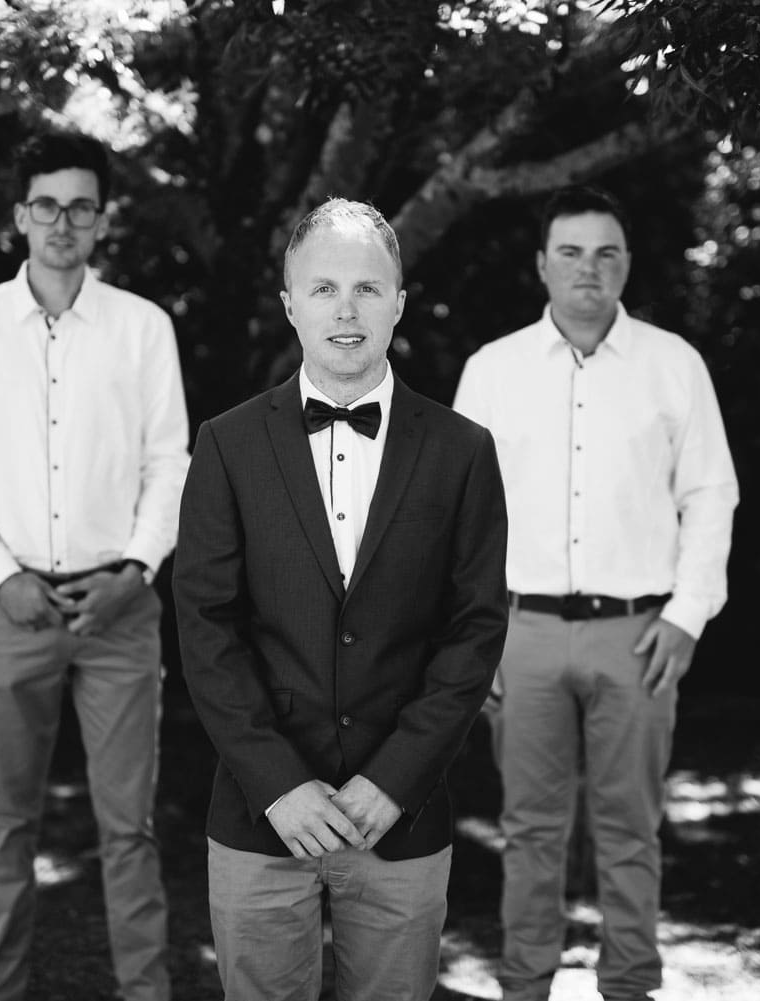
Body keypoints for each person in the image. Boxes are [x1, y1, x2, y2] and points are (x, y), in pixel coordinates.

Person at [173, 197, 509, 1001]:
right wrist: (278, 784)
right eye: (323, 289)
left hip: (404, 817)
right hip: (261, 815)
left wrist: (394, 779)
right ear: (291, 306)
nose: (347, 309)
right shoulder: (227, 444)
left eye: (367, 287)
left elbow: (475, 631)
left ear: (399, 300)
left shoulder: (463, 451)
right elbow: (205, 624)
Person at [0, 132, 188, 1001]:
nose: (62, 221)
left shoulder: (144, 328)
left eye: (79, 205)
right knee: (5, 822)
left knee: (130, 827)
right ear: (19, 218)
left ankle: (144, 991)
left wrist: (138, 570)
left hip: (120, 605)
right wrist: (3, 577)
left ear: (101, 219)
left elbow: (170, 465)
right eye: (47, 205)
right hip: (11, 604)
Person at [453, 185, 738, 1001]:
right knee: (530, 831)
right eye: (571, 252)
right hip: (524, 631)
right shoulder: (493, 370)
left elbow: (711, 494)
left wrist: (687, 615)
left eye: (605, 252)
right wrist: (476, 637)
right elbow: (461, 519)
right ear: (543, 265)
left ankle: (629, 987)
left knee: (630, 830)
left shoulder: (674, 364)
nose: (589, 267)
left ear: (626, 265)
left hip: (638, 632)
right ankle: (525, 986)